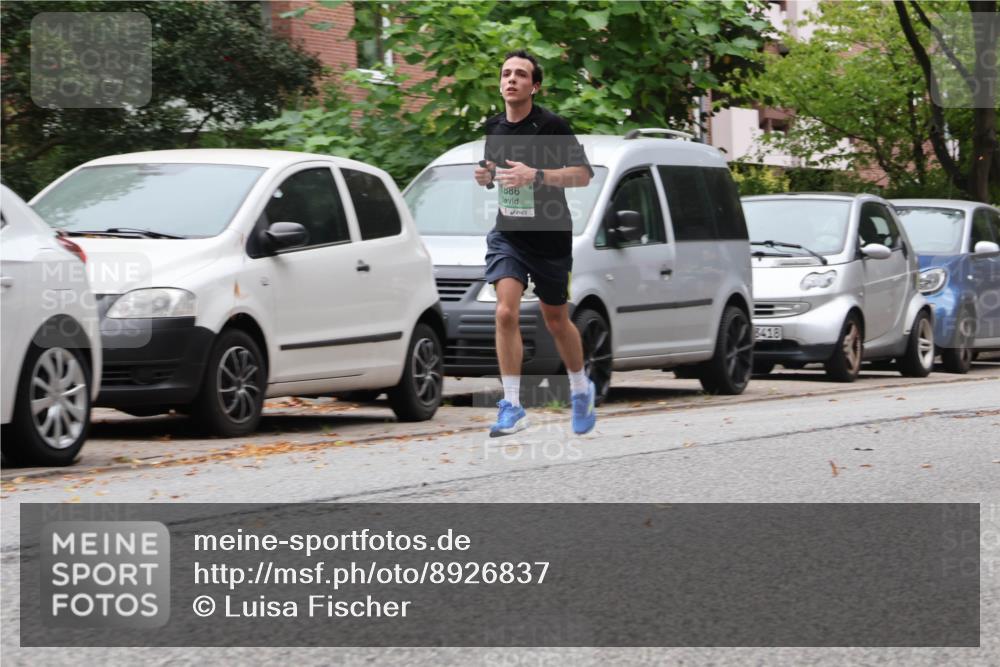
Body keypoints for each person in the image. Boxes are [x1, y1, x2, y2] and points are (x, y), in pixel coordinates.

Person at [473, 50, 596, 437]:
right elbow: (497, 172)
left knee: (556, 320)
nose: (511, 79)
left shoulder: (553, 127)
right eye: (506, 74)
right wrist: (487, 176)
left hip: (550, 237)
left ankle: (579, 389)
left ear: (535, 85)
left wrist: (537, 175)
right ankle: (511, 404)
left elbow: (582, 175)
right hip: (508, 234)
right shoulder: (494, 128)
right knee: (504, 313)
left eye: (521, 75)